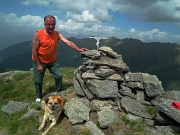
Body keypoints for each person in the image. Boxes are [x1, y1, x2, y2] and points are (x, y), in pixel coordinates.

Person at [32, 15, 88, 102]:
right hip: (40, 60)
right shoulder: (38, 34)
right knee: (38, 81)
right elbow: (34, 50)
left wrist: (78, 49)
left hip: (51, 60)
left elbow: (68, 42)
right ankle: (38, 96)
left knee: (59, 76)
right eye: (48, 24)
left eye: (53, 24)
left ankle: (58, 92)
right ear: (44, 24)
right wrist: (38, 65)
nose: (51, 26)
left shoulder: (57, 34)